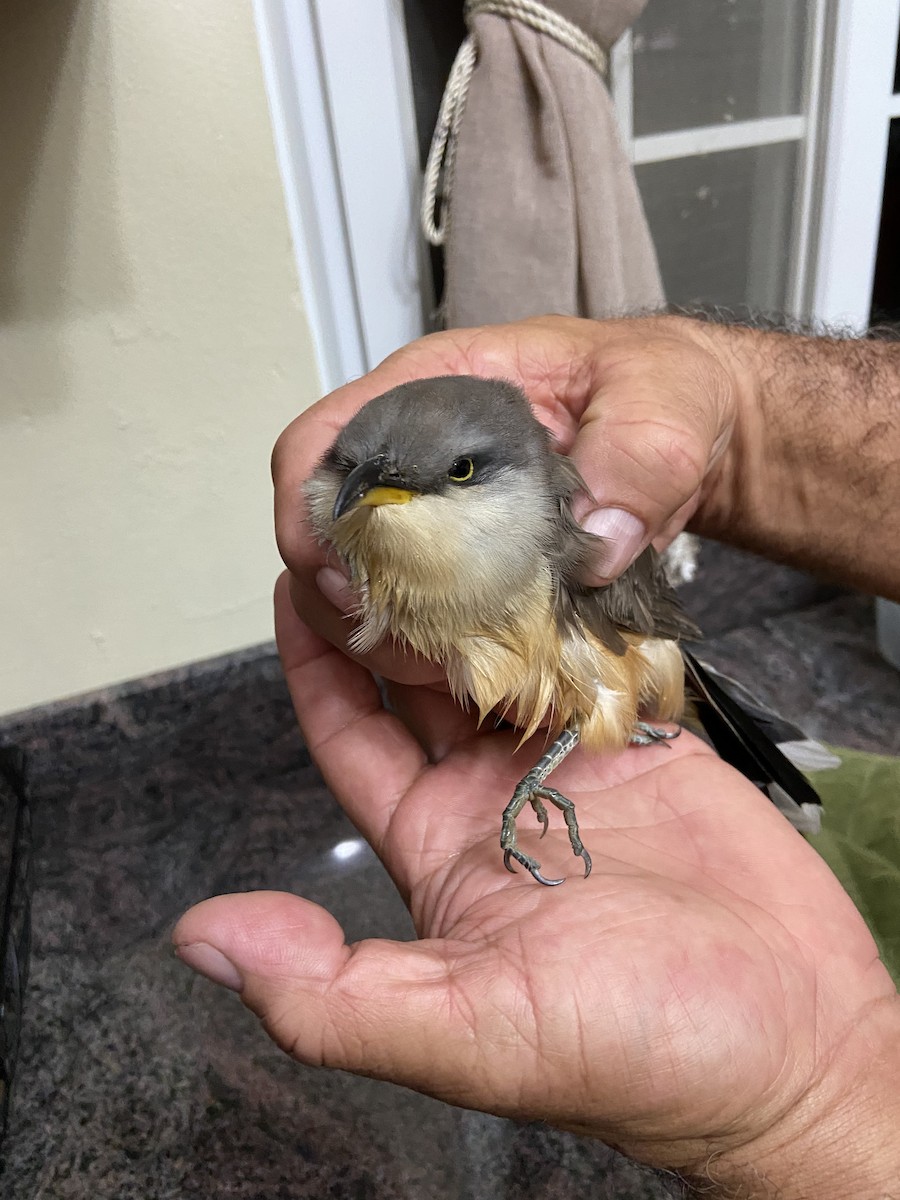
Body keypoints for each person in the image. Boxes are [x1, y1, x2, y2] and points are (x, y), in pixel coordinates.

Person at [174, 314, 900, 1197]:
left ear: (503, 474)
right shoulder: (361, 512)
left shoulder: (555, 531)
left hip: (610, 660)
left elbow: (619, 659)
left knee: (600, 705)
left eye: (461, 475)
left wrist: (816, 1110)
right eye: (357, 476)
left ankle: (754, 765)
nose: (378, 494)